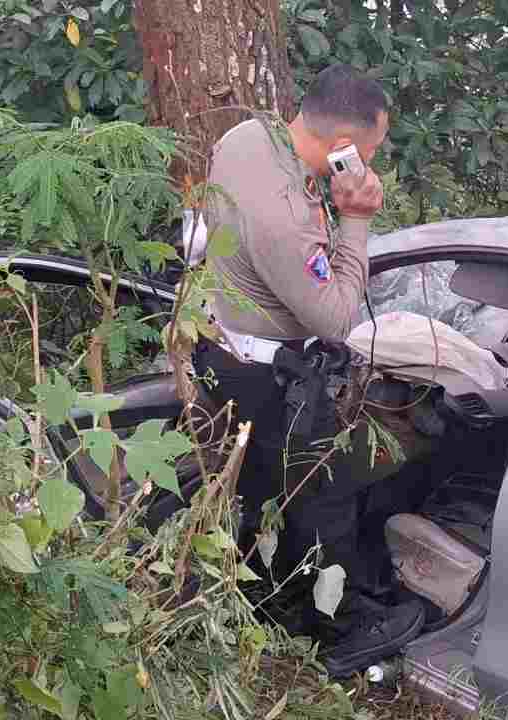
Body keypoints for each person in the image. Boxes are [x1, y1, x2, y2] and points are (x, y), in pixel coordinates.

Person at [193, 64, 425, 675]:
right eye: (368, 152)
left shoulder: (246, 138)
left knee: (263, 488)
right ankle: (341, 630)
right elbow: (336, 317)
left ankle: (270, 604)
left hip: (223, 353)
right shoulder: (285, 219)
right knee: (324, 493)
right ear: (344, 144)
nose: (369, 163)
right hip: (270, 379)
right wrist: (356, 217)